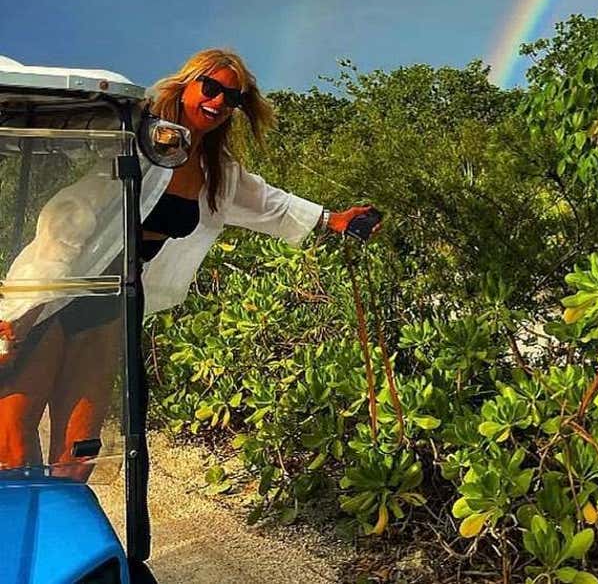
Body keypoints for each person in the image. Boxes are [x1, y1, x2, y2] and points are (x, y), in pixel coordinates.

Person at [0, 47, 379, 557]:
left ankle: (59, 547)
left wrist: (333, 219)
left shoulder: (214, 170)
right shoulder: (131, 126)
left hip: (112, 304)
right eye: (213, 88)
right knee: (15, 434)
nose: (220, 102)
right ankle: (17, 545)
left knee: (78, 447)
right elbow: (65, 204)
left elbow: (270, 202)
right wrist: (15, 314)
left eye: (234, 98)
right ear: (188, 84)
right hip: (54, 293)